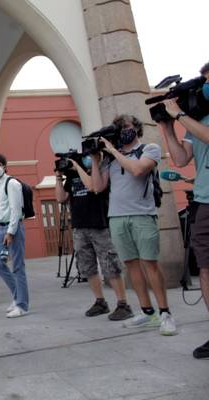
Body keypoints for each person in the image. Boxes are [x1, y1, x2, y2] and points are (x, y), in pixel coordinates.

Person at [90, 114, 177, 336]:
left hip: (142, 215)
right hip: (117, 217)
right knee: (132, 266)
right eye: (119, 128)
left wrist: (113, 151)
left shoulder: (149, 149)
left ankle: (165, 313)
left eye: (126, 127)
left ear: (136, 129)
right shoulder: (110, 159)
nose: (123, 131)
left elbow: (138, 170)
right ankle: (148, 313)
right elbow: (98, 187)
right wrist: (96, 159)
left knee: (150, 264)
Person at [158, 61, 209, 358]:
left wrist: (178, 113)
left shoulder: (193, 119)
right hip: (204, 200)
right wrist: (167, 126)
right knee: (205, 266)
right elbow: (179, 159)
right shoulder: (197, 118)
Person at [55, 154, 133, 320]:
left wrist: (79, 168)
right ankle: (100, 301)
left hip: (100, 225)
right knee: (87, 267)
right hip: (79, 227)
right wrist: (58, 179)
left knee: (110, 265)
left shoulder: (98, 172)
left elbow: (93, 187)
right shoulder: (72, 177)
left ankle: (123, 304)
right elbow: (61, 198)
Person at [0, 155, 29, 318]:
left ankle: (22, 305)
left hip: (13, 227)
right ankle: (17, 296)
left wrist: (10, 232)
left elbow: (16, 209)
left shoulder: (11, 183)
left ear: (5, 166)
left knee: (18, 266)